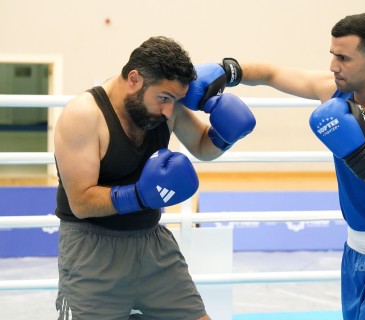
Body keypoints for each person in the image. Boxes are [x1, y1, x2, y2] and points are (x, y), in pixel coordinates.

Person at [221, 12, 365, 320]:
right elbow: (269, 73)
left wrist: (356, 153)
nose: (334, 65)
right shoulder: (334, 90)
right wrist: (227, 71)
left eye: (344, 58)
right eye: (333, 55)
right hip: (356, 246)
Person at [54, 36, 255, 320]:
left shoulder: (166, 105)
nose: (169, 111)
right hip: (93, 252)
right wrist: (138, 195)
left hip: (153, 246)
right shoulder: (84, 115)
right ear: (134, 80)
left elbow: (200, 144)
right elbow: (82, 202)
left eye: (174, 100)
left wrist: (224, 136)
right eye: (163, 98)